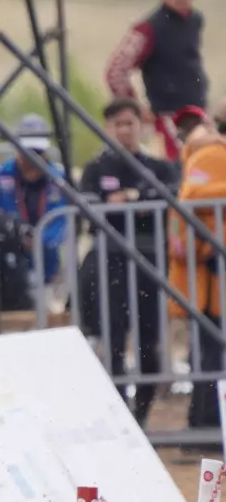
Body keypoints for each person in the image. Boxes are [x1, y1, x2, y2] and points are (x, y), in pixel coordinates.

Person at [76, 98, 179, 426]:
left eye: (130, 123)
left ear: (140, 126)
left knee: (150, 339)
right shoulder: (96, 169)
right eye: (117, 124)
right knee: (114, 336)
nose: (124, 130)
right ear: (108, 128)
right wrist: (131, 200)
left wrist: (127, 199)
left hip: (149, 263)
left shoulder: (157, 167)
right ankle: (119, 415)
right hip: (111, 262)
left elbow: (168, 193)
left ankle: (142, 414)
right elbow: (87, 204)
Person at [105, 0, 208, 162]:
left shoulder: (195, 20)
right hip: (168, 118)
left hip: (197, 114)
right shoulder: (148, 28)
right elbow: (116, 71)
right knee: (178, 169)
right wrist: (135, 108)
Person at [0, 114, 69, 311]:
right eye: (27, 151)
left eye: (37, 152)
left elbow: (66, 221)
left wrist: (38, 240)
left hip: (45, 271)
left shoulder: (59, 180)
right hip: (3, 274)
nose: (32, 159)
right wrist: (8, 235)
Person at [167, 107, 226, 428]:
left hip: (209, 269)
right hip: (209, 270)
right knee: (209, 348)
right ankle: (205, 420)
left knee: (209, 348)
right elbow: (191, 197)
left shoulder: (204, 154)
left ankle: (207, 419)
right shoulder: (209, 155)